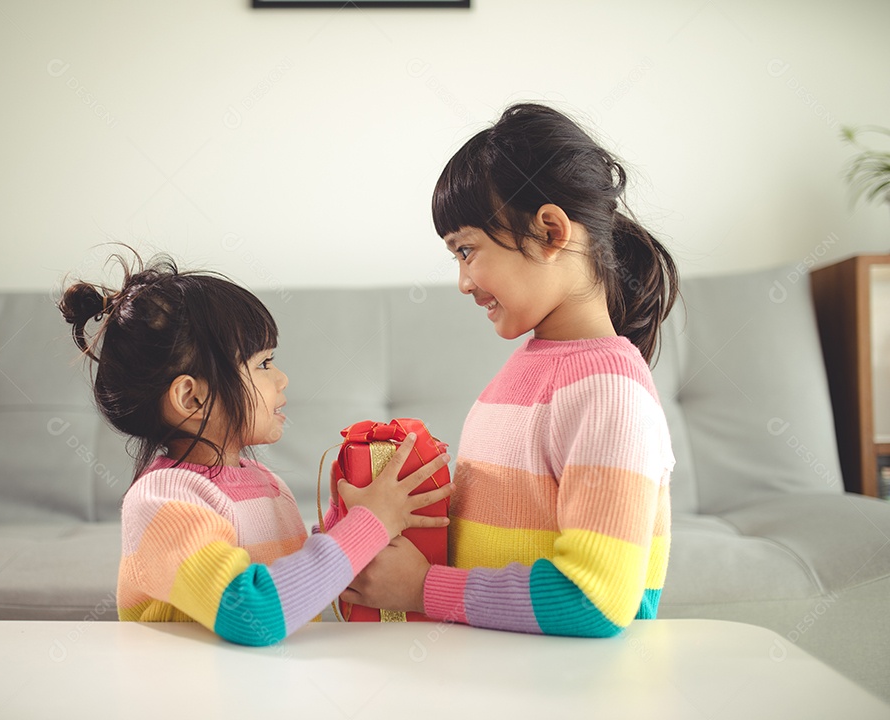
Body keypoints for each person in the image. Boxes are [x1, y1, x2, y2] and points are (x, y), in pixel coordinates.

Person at [341, 103, 678, 637]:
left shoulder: (610, 393)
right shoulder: (524, 372)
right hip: (501, 672)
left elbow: (596, 600)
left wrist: (424, 587)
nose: (463, 281)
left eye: (467, 250)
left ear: (548, 233)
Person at [59, 251, 453, 646]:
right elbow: (254, 612)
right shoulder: (162, 501)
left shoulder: (266, 483)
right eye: (263, 364)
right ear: (191, 398)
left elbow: (299, 586)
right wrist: (372, 521)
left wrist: (348, 517)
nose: (282, 379)